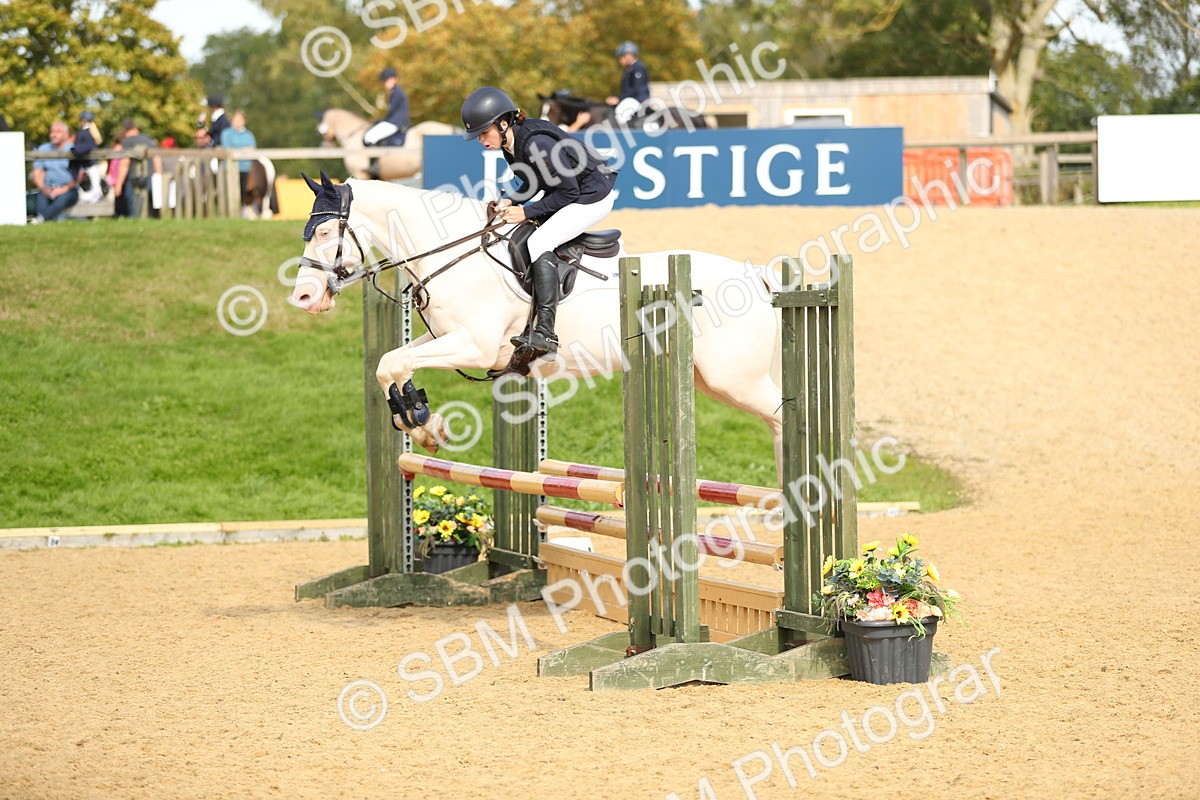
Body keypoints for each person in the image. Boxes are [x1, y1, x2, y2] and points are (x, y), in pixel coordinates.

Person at [461, 87, 617, 363]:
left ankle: (545, 332)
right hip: (573, 191)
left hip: (592, 196)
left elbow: (567, 192)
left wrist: (525, 212)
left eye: (484, 133)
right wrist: (510, 200)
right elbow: (534, 182)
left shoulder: (536, 143)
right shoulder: (511, 145)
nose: (480, 140)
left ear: (503, 123)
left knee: (538, 241)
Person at [364, 67, 410, 179]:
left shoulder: (397, 93)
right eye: (385, 81)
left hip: (396, 122)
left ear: (395, 79)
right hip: (395, 120)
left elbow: (392, 113)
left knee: (370, 137)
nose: (386, 83)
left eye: (388, 80)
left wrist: (379, 121)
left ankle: (374, 166)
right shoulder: (395, 92)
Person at [29, 120, 80, 222]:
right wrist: (43, 188)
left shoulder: (74, 150)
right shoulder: (43, 149)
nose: (54, 134)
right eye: (52, 131)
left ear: (66, 134)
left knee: (62, 200)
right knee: (41, 200)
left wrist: (62, 189)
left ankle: (41, 219)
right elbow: (37, 172)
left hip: (68, 189)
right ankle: (43, 221)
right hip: (47, 188)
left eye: (58, 131)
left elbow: (79, 175)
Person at [113, 118, 158, 218]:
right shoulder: (148, 139)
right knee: (149, 209)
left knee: (134, 210)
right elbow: (156, 159)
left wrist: (118, 185)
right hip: (150, 177)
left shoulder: (127, 142)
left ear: (125, 130)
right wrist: (158, 176)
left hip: (134, 178)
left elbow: (125, 163)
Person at [606, 41, 650, 125]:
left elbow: (636, 89)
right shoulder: (630, 69)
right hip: (631, 99)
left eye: (621, 57)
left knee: (621, 114)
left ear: (628, 56)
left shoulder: (638, 68)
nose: (620, 60)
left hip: (638, 99)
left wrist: (619, 99)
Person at [219, 110, 257, 198]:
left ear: (244, 121)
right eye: (235, 120)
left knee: (245, 192)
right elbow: (227, 149)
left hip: (246, 168)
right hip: (231, 168)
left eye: (239, 120)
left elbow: (252, 149)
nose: (236, 123)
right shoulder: (226, 133)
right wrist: (243, 150)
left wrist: (238, 150)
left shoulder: (248, 135)